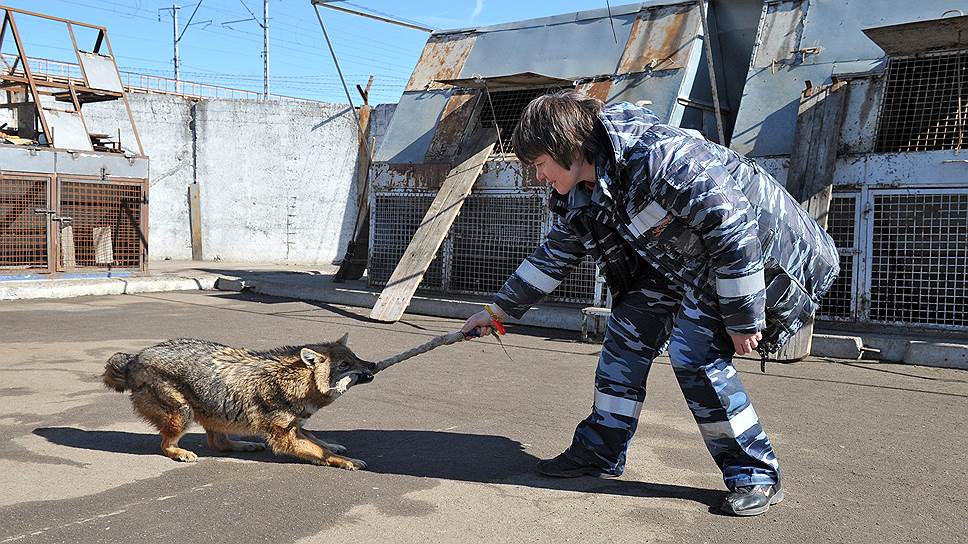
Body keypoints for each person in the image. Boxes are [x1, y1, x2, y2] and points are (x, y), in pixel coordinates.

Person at [462, 90, 839, 516]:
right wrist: (497, 312)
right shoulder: (579, 191)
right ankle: (599, 452)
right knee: (624, 340)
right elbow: (555, 254)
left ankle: (755, 474)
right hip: (678, 265)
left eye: (539, 164)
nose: (538, 176)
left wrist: (741, 316)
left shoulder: (662, 158)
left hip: (758, 261)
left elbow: (733, 231)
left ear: (565, 146)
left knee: (694, 357)